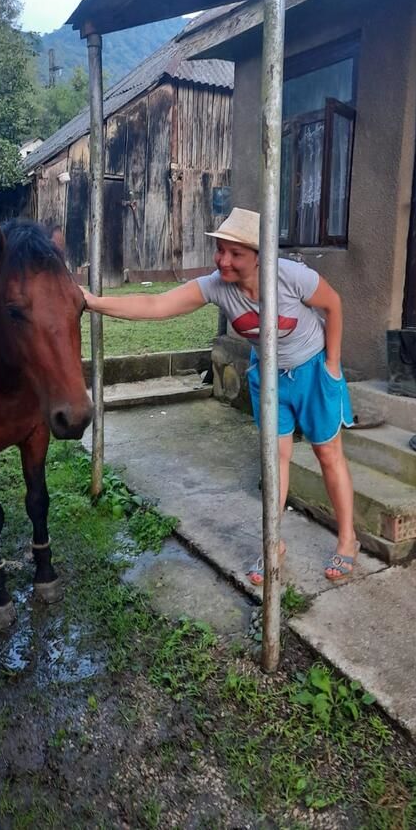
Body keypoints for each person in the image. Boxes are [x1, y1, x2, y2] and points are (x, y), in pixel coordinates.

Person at [82, 208, 360, 583]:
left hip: (313, 371)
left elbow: (334, 304)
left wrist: (332, 363)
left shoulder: (290, 276)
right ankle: (272, 542)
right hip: (269, 376)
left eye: (236, 253)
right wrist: (94, 302)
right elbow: (156, 305)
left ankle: (347, 540)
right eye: (220, 251)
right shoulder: (216, 285)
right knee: (275, 459)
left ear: (260, 255)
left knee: (328, 455)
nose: (223, 260)